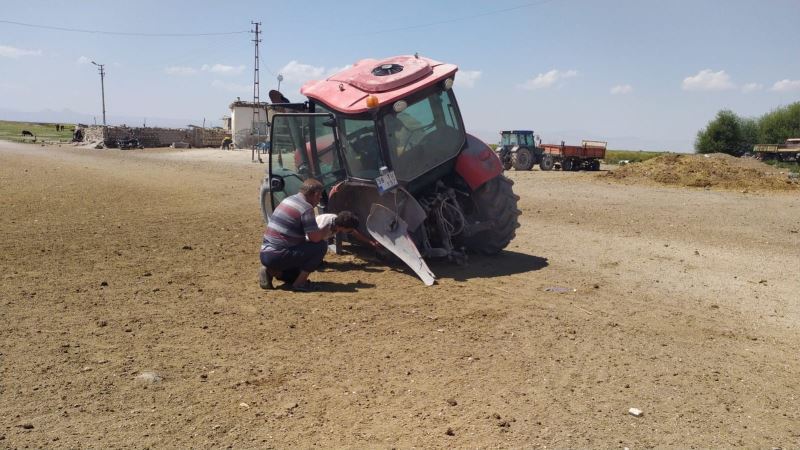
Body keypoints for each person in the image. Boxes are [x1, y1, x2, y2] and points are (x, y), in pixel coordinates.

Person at [259, 179, 328, 292]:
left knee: (295, 275)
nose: (319, 199)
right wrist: (325, 230)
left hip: (266, 253)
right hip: (278, 254)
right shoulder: (306, 208)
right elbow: (314, 238)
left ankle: (271, 271)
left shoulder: (288, 200)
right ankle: (300, 284)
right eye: (320, 196)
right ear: (315, 194)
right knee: (320, 246)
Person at [315, 210, 380, 249]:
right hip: (309, 239)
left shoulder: (337, 221)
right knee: (322, 246)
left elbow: (355, 234)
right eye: (350, 229)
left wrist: (371, 242)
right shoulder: (325, 227)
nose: (350, 231)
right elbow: (310, 238)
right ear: (343, 227)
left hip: (317, 238)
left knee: (322, 245)